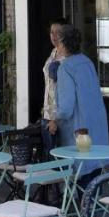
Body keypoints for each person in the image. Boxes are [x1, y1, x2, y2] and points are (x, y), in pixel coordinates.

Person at [53, 24, 109, 188]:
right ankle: (92, 210)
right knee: (95, 178)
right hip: (97, 127)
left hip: (79, 132)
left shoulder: (66, 68)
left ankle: (83, 211)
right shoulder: (87, 62)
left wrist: (54, 120)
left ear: (63, 44)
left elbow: (66, 107)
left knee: (80, 178)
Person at [40, 21, 67, 154]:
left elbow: (64, 92)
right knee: (48, 154)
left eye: (58, 32)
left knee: (58, 156)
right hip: (47, 112)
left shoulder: (68, 58)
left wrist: (54, 118)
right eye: (52, 32)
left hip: (58, 116)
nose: (53, 35)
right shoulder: (53, 52)